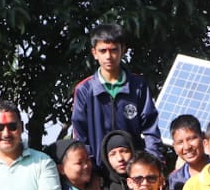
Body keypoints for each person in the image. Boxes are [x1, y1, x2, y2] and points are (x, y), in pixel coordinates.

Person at [69, 21, 161, 158]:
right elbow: (80, 135)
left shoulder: (138, 85)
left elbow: (150, 129)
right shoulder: (84, 89)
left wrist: (152, 160)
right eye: (103, 51)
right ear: (94, 53)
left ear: (123, 50)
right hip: (98, 167)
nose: (108, 56)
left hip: (133, 165)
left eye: (113, 50)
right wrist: (90, 166)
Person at [166, 114, 208, 190]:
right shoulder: (175, 180)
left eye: (191, 139)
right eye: (180, 142)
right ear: (174, 146)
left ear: (203, 137)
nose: (187, 147)